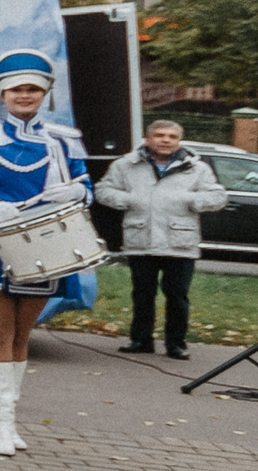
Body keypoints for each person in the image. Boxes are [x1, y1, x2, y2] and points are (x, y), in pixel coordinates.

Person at [0, 51, 89, 458]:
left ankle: (7, 417)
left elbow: (88, 188)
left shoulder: (65, 139)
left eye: (32, 89)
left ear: (45, 93)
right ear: (3, 94)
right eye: (16, 89)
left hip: (47, 245)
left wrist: (79, 191)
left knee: (22, 336)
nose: (24, 95)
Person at [94, 119, 228, 360]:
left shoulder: (196, 168)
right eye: (159, 135)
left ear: (179, 141)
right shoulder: (126, 165)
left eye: (172, 136)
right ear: (147, 139)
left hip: (179, 241)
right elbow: (103, 190)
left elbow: (218, 196)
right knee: (142, 293)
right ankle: (141, 340)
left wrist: (193, 200)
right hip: (141, 239)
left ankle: (176, 343)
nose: (166, 140)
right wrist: (129, 199)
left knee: (177, 295)